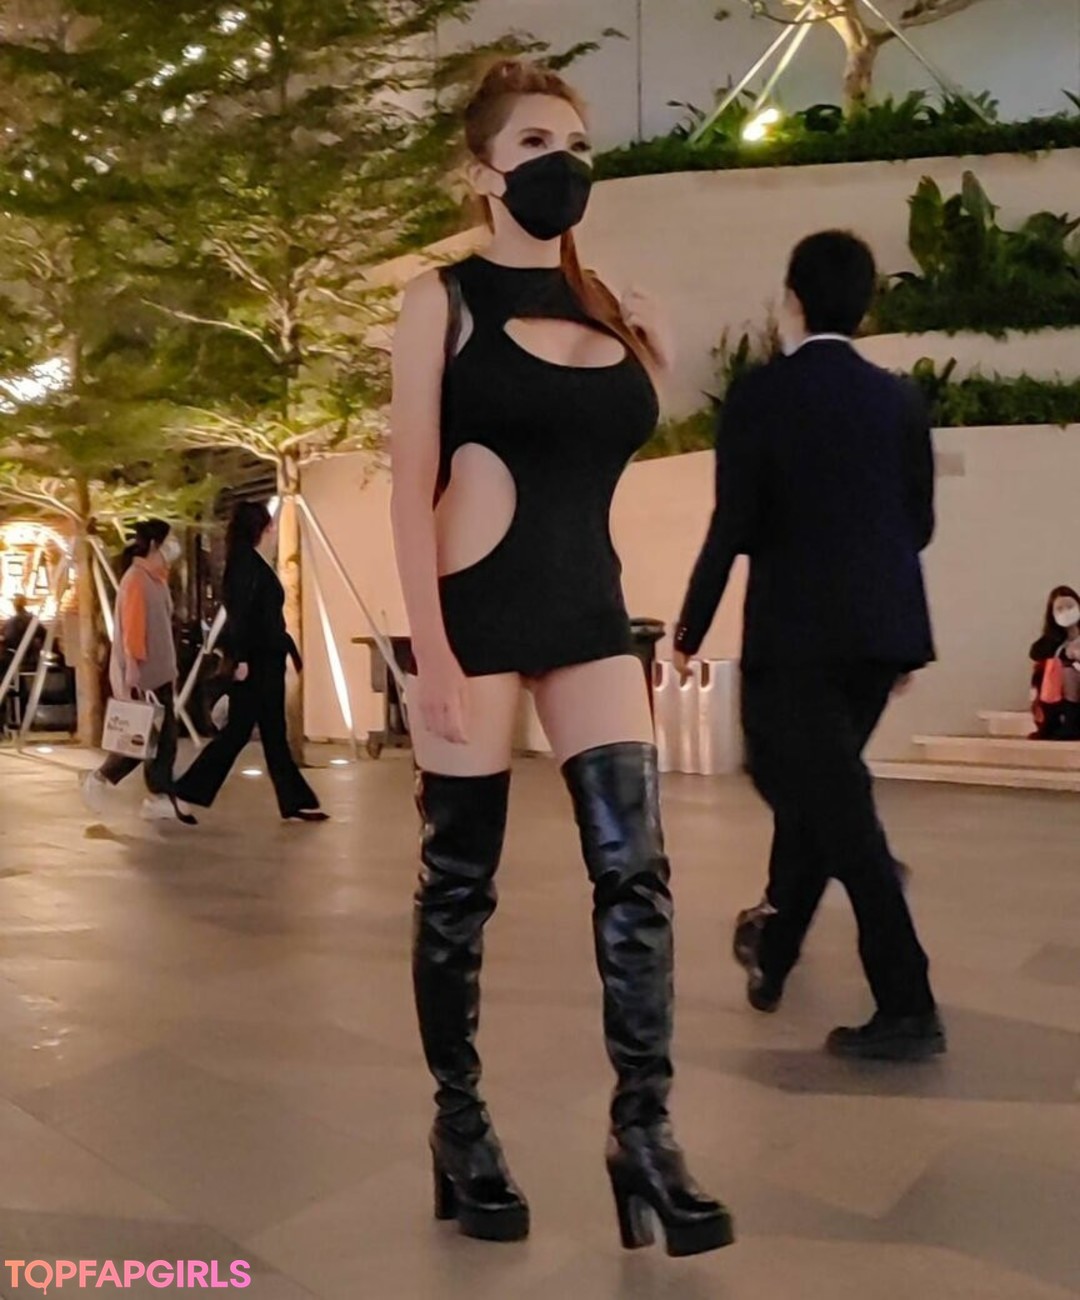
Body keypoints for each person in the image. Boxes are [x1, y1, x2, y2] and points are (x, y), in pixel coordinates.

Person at [389, 59, 731, 1256]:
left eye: (577, 142)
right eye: (536, 141)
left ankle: (645, 1131)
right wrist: (430, 652)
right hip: (474, 612)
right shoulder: (440, 301)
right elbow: (409, 486)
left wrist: (658, 353)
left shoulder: (606, 303)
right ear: (484, 171)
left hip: (590, 610)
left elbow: (608, 442)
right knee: (459, 887)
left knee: (637, 873)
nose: (563, 161)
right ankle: (460, 1125)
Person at [674, 230, 945, 1063]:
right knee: (826, 797)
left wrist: (687, 632)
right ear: (866, 306)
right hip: (882, 634)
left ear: (791, 301)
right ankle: (776, 946)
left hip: (794, 635)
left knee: (808, 791)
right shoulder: (898, 399)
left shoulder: (761, 395)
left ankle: (908, 1003)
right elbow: (919, 523)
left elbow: (732, 524)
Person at [174, 501, 326, 823]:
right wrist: (241, 658)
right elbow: (240, 616)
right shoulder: (245, 565)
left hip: (265, 658)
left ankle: (294, 800)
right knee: (241, 732)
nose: (273, 531)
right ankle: (187, 790)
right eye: (269, 526)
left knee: (270, 731)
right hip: (257, 661)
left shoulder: (250, 562)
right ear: (259, 529)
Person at [81, 519, 195, 825]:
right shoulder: (136, 580)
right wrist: (132, 670)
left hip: (159, 673)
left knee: (154, 741)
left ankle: (153, 795)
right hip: (144, 676)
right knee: (146, 740)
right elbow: (133, 629)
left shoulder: (156, 579)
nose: (174, 547)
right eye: (170, 541)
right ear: (156, 544)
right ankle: (108, 782)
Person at [1030, 585, 1080, 739]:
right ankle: (1052, 722)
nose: (1066, 612)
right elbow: (1035, 653)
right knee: (1048, 670)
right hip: (1058, 689)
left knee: (1069, 672)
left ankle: (1071, 723)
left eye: (1070, 607)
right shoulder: (1054, 641)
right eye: (1060, 609)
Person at [2, 594, 45, 670]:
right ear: (25, 604)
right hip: (29, 657)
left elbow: (4, 637)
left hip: (12, 657)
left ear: (14, 606)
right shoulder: (31, 619)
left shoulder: (9, 622)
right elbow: (43, 634)